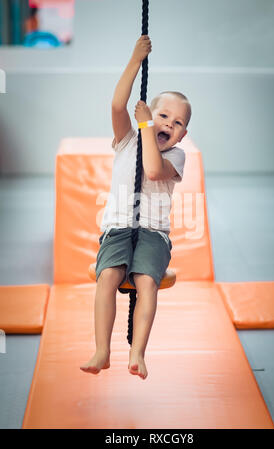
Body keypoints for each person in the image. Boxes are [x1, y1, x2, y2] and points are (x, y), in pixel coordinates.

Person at [80, 35, 192, 380]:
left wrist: (147, 124)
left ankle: (138, 353)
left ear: (183, 135)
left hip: (153, 234)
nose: (168, 124)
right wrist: (134, 59)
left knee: (146, 282)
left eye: (178, 123)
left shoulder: (175, 156)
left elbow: (152, 169)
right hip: (117, 227)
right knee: (107, 277)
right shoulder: (127, 139)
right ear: (148, 113)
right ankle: (102, 350)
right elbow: (117, 105)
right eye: (163, 115)